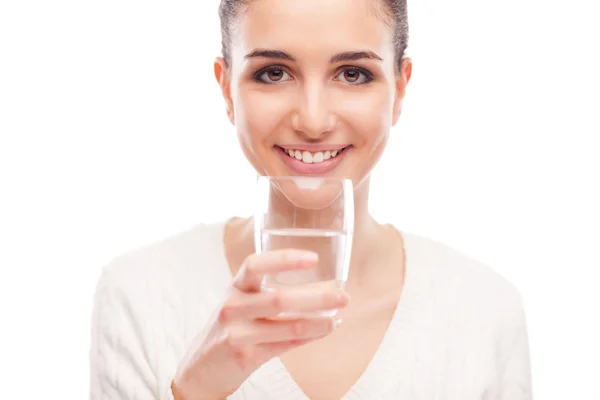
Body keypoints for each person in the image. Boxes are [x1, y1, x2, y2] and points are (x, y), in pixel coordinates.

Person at [89, 0, 532, 399]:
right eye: (274, 73)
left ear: (399, 89)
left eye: (353, 74)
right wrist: (194, 393)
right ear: (227, 90)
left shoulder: (486, 309)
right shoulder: (138, 294)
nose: (314, 120)